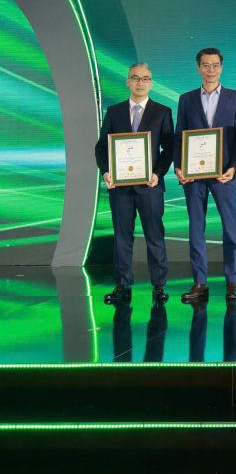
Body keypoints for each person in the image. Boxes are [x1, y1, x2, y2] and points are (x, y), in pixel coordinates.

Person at [95, 62, 174, 304]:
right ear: (127, 81)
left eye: (145, 78)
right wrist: (106, 172)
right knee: (122, 237)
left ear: (151, 83)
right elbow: (101, 147)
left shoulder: (162, 112)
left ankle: (159, 286)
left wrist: (158, 174)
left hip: (150, 187)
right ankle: (122, 285)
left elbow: (169, 148)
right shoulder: (114, 111)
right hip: (120, 188)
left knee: (155, 236)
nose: (140, 83)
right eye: (136, 78)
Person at [174, 47, 236, 303]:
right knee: (196, 229)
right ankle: (200, 282)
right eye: (206, 65)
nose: (211, 70)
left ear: (221, 67)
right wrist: (179, 167)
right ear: (198, 68)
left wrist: (234, 167)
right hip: (194, 176)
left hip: (225, 174)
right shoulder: (186, 99)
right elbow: (179, 135)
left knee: (231, 229)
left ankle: (232, 282)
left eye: (215, 65)